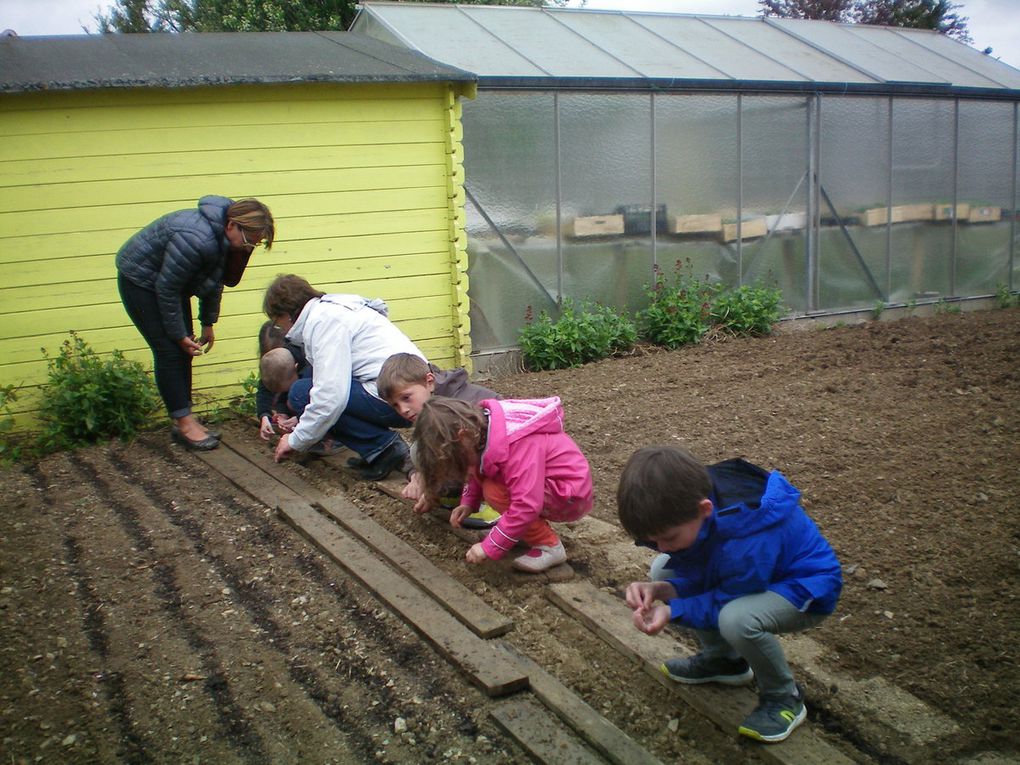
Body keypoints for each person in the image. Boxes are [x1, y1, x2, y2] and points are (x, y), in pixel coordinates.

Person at [616, 446, 842, 744]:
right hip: (755, 577)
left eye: (668, 538)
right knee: (663, 570)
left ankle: (784, 696)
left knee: (736, 619)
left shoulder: (745, 539)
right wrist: (659, 590)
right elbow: (705, 568)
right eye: (652, 540)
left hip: (805, 588)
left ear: (704, 509)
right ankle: (724, 661)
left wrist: (673, 610)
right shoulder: (690, 506)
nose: (663, 546)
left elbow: (727, 596)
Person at [117, 195, 274, 451]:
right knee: (169, 350)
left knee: (184, 347)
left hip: (168, 284)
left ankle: (184, 417)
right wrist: (179, 335)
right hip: (141, 281)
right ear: (232, 225)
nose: (249, 248)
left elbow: (215, 281)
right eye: (248, 241)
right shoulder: (196, 239)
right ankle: (183, 424)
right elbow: (166, 289)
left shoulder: (222, 239)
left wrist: (207, 323)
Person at [262, 275, 422, 479]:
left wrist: (295, 440)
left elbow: (330, 397)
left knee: (301, 394)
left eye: (278, 323)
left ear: (286, 314)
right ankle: (379, 449)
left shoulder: (323, 323)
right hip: (407, 390)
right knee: (311, 391)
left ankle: (384, 448)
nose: (281, 329)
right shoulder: (332, 310)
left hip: (396, 396)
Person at [412, 396, 593, 573]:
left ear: (463, 435)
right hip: (547, 487)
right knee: (493, 485)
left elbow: (526, 505)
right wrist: (469, 502)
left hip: (569, 494)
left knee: (495, 492)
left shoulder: (518, 445)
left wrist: (490, 546)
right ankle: (523, 533)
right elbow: (480, 466)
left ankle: (549, 546)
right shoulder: (481, 433)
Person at [376, 352, 502, 527]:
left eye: (406, 398)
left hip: (504, 463)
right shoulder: (426, 407)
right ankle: (451, 494)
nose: (403, 410)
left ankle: (495, 501)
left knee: (451, 447)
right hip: (476, 465)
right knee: (419, 450)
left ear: (429, 381)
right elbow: (418, 449)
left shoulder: (462, 407)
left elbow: (487, 450)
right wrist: (417, 477)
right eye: (395, 405)